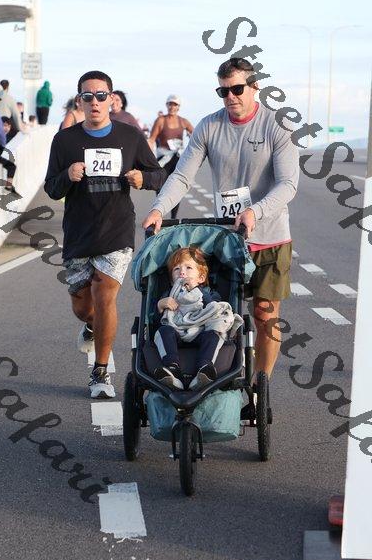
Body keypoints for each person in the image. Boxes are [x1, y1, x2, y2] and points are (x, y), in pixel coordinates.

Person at [143, 57, 299, 383]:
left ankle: (259, 384)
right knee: (217, 312)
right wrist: (158, 209)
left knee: (265, 315)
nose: (230, 97)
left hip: (269, 235)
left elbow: (288, 184)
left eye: (237, 89)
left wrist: (255, 211)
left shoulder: (276, 125)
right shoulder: (209, 126)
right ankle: (218, 375)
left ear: (255, 87)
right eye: (223, 91)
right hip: (227, 238)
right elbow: (182, 176)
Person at [44, 70, 166, 399]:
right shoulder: (65, 141)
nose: (95, 102)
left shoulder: (130, 136)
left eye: (101, 96)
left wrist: (143, 178)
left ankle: (100, 372)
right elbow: (51, 188)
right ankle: (90, 325)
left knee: (105, 295)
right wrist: (67, 176)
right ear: (80, 101)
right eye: (88, 96)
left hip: (116, 231)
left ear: (112, 99)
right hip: (79, 233)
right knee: (83, 307)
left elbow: (159, 174)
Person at [154, 247, 240, 391]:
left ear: (201, 278)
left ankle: (204, 369)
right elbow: (158, 321)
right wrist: (160, 305)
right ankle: (172, 368)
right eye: (176, 269)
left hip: (201, 331)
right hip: (176, 332)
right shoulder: (169, 294)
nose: (182, 272)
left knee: (214, 334)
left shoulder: (208, 293)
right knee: (163, 331)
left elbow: (214, 309)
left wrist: (196, 291)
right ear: (171, 280)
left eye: (188, 268)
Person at [147, 94, 194, 219]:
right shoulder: (161, 120)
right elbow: (152, 139)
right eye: (170, 104)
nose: (172, 107)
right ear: (167, 105)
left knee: (176, 187)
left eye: (175, 105)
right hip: (163, 158)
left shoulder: (183, 121)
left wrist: (191, 138)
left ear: (178, 107)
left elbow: (196, 135)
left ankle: (173, 217)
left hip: (177, 158)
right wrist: (148, 157)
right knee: (160, 187)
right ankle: (158, 214)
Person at [0, 117, 17, 193]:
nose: (7, 128)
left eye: (9, 126)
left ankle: (9, 187)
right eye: (4, 125)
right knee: (12, 166)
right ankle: (8, 188)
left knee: (11, 166)